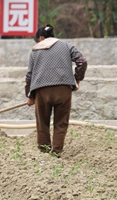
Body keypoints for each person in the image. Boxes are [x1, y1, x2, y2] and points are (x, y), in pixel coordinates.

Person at [25, 24, 87, 157]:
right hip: (63, 88)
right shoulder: (66, 46)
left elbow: (29, 75)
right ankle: (56, 151)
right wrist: (77, 79)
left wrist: (29, 96)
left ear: (41, 38)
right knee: (61, 122)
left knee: (42, 122)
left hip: (41, 90)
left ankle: (44, 151)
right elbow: (82, 61)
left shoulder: (35, 51)